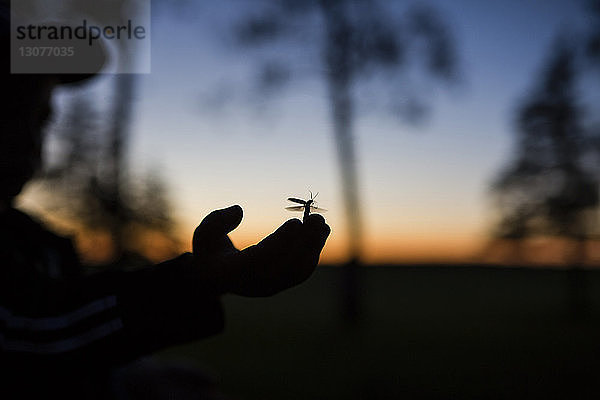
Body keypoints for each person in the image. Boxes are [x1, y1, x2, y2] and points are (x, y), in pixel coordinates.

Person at [0, 6, 330, 399]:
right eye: (9, 106)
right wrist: (198, 279)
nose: (32, 134)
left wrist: (129, 383)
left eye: (42, 117)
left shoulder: (41, 246)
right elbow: (27, 331)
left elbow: (52, 363)